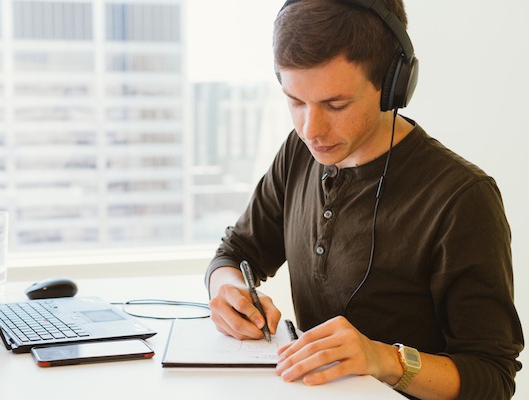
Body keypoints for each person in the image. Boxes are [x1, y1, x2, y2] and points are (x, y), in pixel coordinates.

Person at [204, 1, 524, 399]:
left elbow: (492, 377)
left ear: (393, 86)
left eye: (336, 105)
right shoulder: (299, 153)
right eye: (296, 102)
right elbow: (236, 252)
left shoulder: (462, 198)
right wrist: (228, 291)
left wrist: (382, 359)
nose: (311, 129)